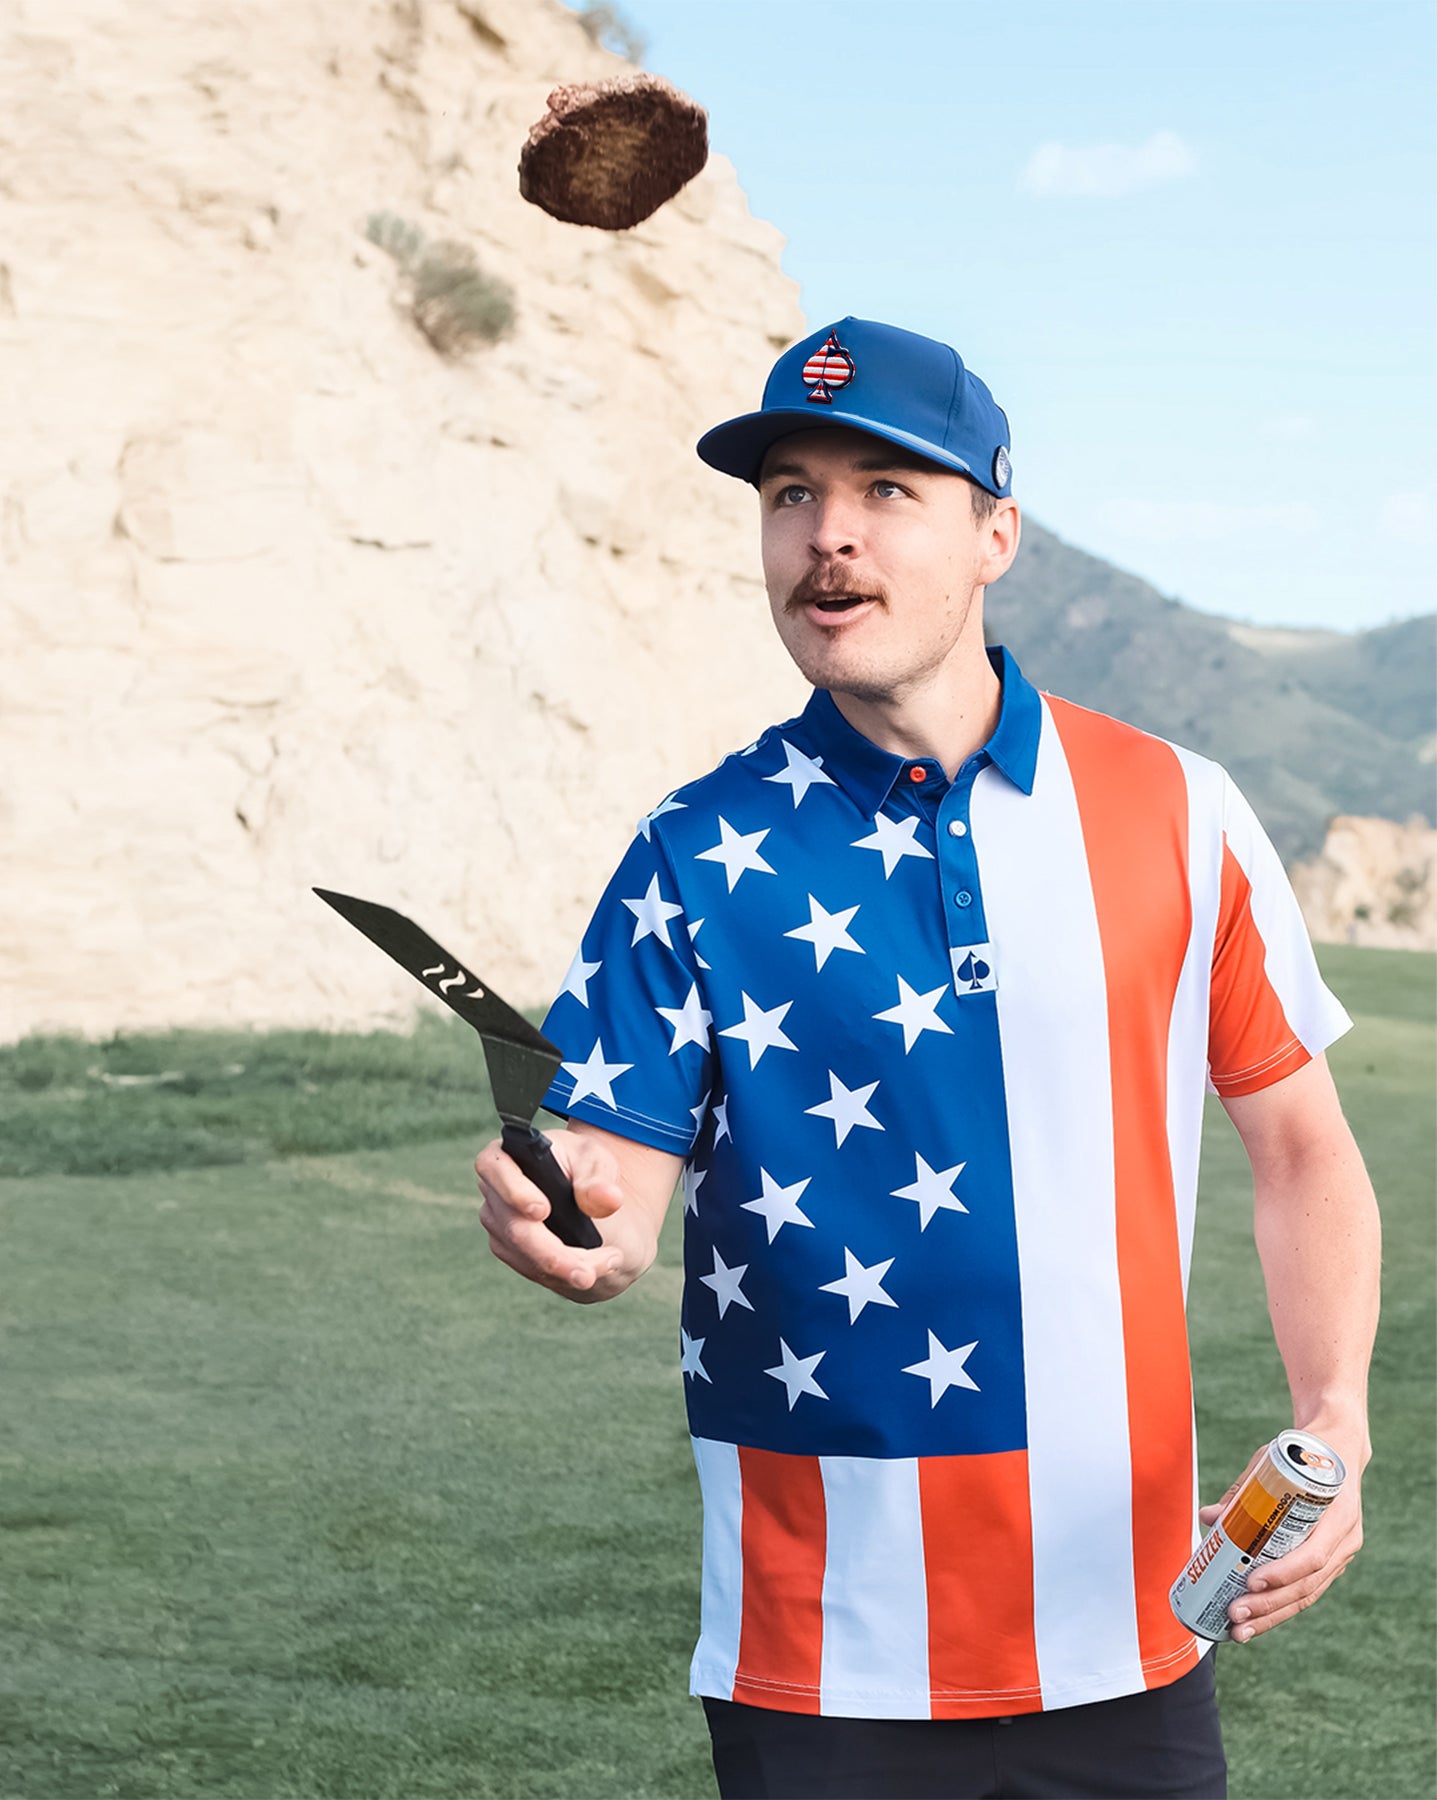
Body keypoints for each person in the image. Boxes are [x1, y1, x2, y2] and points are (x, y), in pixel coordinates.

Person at [475, 318, 1380, 1800]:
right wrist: (566, 1220)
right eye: (787, 493)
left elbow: (1300, 1147)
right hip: (820, 1645)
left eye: (885, 487)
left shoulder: (1179, 809)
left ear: (993, 534)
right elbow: (612, 1189)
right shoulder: (691, 851)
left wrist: (1333, 1411)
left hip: (1128, 1622)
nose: (826, 536)